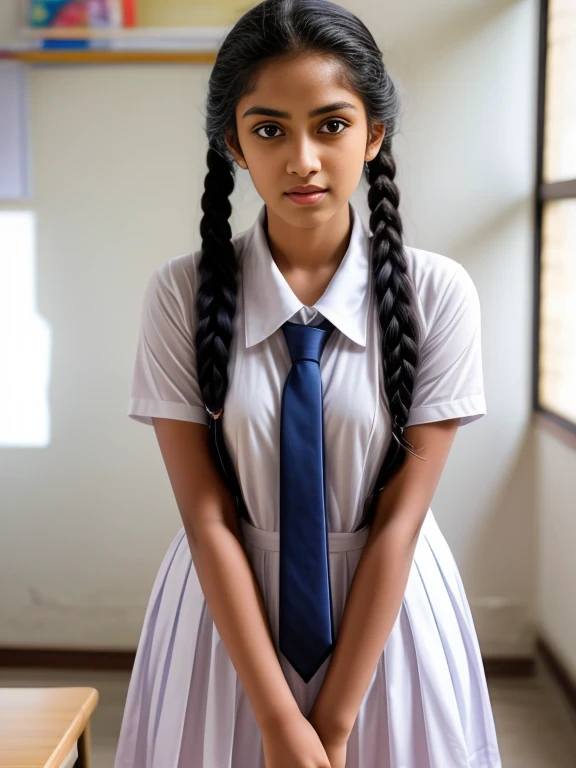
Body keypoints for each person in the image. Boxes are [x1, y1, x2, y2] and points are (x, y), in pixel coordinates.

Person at [114, 0, 503, 765]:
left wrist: (329, 723)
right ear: (234, 144)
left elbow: (400, 523)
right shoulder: (179, 294)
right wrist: (276, 718)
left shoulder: (438, 294)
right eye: (269, 130)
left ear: (374, 133)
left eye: (330, 125)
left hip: (391, 627)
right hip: (226, 631)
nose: (302, 159)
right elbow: (209, 520)